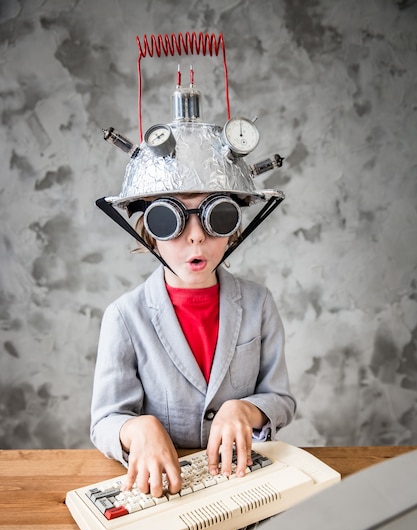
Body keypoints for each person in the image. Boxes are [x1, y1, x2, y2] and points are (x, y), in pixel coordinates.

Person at [90, 69, 296, 498]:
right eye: (172, 218)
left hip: (245, 483)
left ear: (235, 223)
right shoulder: (125, 317)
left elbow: (280, 398)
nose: (197, 235)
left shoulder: (257, 304)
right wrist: (138, 428)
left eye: (215, 215)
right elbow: (105, 421)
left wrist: (247, 410)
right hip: (164, 490)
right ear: (147, 227)